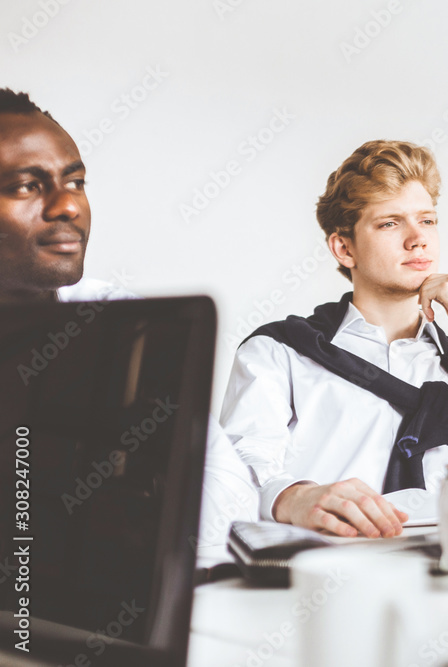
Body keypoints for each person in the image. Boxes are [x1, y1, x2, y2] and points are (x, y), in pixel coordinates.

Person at [0, 88, 257, 561]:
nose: (68, 207)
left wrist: (138, 481)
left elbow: (233, 507)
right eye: (25, 186)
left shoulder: (125, 322)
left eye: (74, 182)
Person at [221, 140, 448, 539]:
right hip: (326, 577)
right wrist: (294, 498)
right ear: (344, 248)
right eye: (390, 224)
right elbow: (233, 475)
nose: (418, 240)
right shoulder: (279, 352)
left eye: (427, 221)